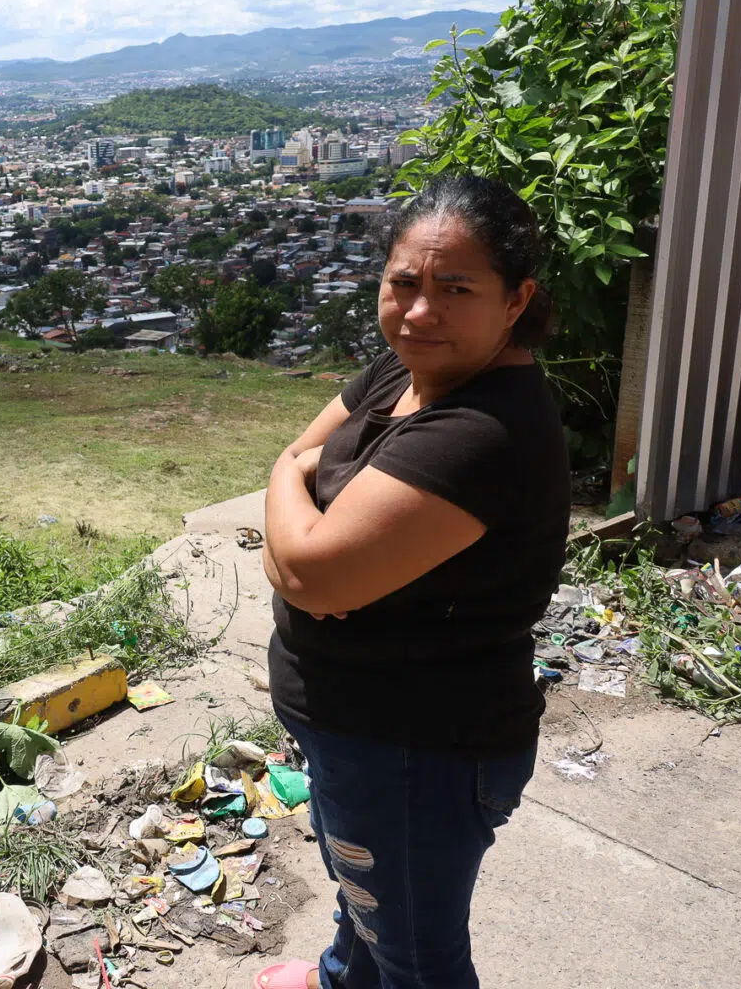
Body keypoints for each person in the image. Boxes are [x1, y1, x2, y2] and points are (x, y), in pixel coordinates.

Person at [256, 174, 571, 989]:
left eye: (456, 288)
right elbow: (303, 466)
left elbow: (309, 573)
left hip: (412, 749)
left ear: (516, 299)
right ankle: (341, 979)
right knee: (370, 899)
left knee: (418, 958)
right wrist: (294, 480)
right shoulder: (406, 373)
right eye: (405, 283)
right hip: (361, 731)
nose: (420, 311)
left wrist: (282, 478)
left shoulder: (479, 432)